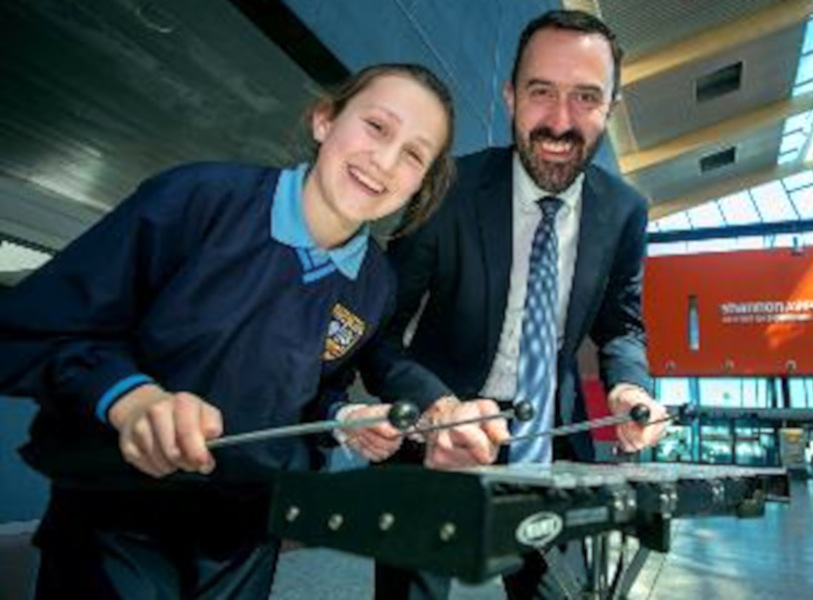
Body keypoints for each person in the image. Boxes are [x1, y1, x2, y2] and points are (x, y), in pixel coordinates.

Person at [0, 63, 456, 599]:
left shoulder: (375, 283)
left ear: (420, 186)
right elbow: (39, 328)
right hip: (119, 516)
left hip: (246, 535)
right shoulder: (197, 197)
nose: (385, 161)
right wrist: (132, 400)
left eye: (414, 155)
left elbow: (316, 388)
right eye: (377, 127)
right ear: (324, 120)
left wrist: (342, 419)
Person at [362, 10, 668, 599]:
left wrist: (630, 388)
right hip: (436, 442)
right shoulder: (447, 188)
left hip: (549, 446)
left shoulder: (625, 211)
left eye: (585, 97)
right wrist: (436, 406)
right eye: (541, 92)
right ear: (510, 96)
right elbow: (379, 332)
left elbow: (622, 326)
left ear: (611, 107)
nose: (560, 121)